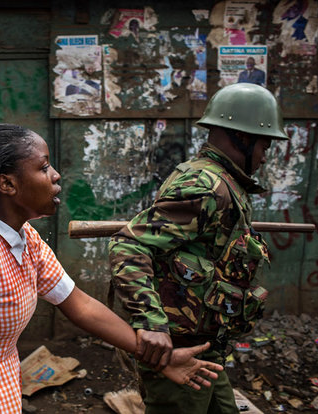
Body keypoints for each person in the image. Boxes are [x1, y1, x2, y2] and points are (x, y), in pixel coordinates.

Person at [0, 123, 224, 413]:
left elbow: (78, 305)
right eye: (44, 166)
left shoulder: (23, 238)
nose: (56, 175)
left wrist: (159, 359)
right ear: (7, 184)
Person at [108, 83, 289, 413]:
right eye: (265, 144)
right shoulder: (207, 185)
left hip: (206, 346)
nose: (266, 155)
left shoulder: (225, 182)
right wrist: (150, 323)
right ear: (243, 138)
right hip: (178, 350)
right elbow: (129, 244)